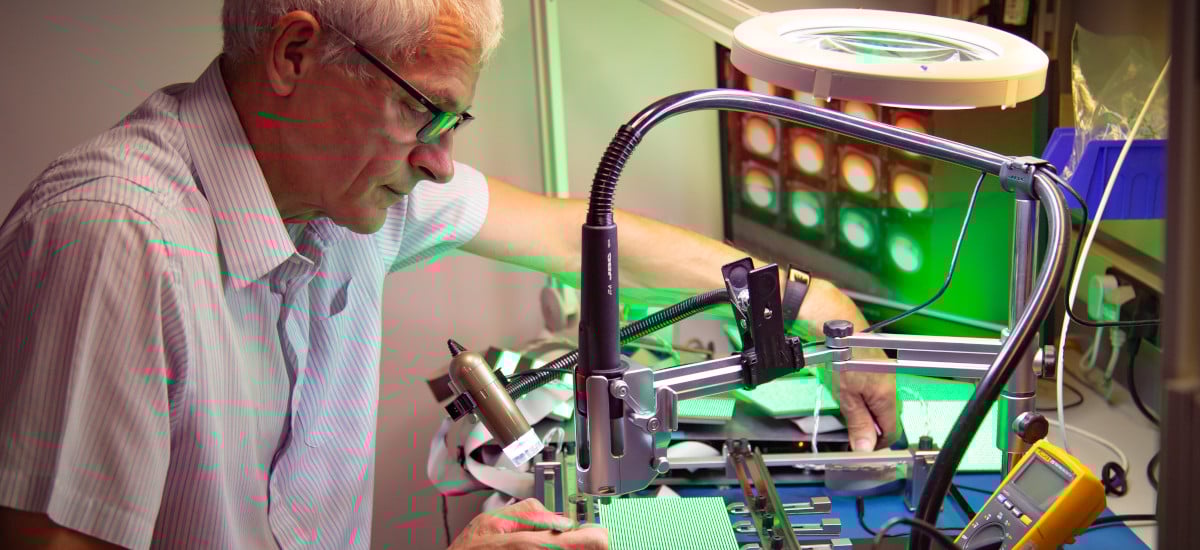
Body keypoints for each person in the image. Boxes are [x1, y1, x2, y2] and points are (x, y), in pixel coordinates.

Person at [0, 1, 895, 548]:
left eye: (453, 124)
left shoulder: (342, 192)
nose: (439, 164)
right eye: (423, 112)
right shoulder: (115, 242)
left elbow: (571, 234)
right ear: (295, 54)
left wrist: (813, 301)